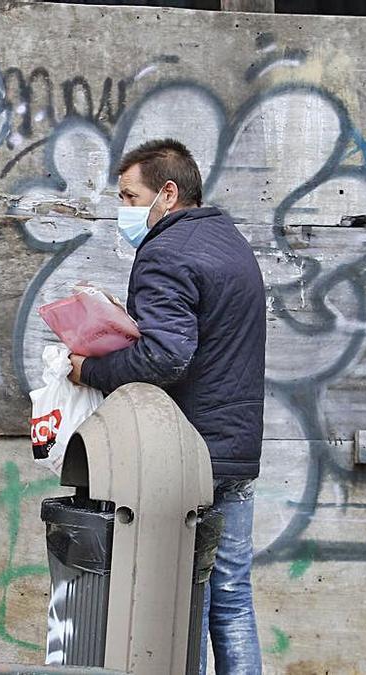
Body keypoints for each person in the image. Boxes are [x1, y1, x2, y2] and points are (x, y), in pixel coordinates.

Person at [69, 138, 266, 675]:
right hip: (236, 448)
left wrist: (92, 369)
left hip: (189, 455)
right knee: (230, 598)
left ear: (169, 193)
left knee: (186, 603)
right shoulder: (230, 241)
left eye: (129, 195)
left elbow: (166, 354)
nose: (123, 209)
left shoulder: (166, 250)